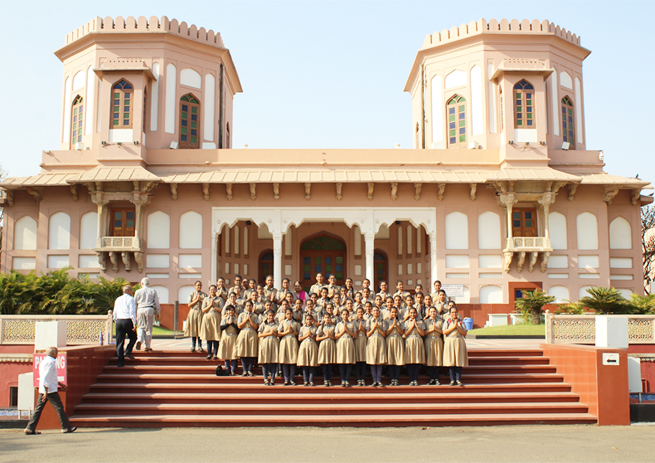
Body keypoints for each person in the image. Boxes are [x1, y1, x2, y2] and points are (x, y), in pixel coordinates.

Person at [24, 347, 76, 434]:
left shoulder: (44, 361)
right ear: (52, 354)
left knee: (38, 408)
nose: (57, 355)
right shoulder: (51, 362)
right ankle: (65, 427)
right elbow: (46, 377)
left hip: (45, 389)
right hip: (49, 390)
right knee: (59, 407)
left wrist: (60, 384)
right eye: (56, 353)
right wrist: (46, 391)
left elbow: (50, 377)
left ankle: (30, 428)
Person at [443, 304, 468, 386]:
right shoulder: (447, 321)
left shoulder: (461, 321)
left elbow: (464, 332)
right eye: (452, 312)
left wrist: (458, 326)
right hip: (450, 340)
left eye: (455, 312)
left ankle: (458, 379)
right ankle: (452, 379)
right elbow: (444, 332)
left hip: (459, 340)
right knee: (451, 360)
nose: (454, 314)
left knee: (459, 359)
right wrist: (453, 327)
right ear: (450, 313)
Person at [134, 277, 161, 353]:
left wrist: (135, 314)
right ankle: (147, 346)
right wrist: (158, 312)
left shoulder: (138, 291)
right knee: (148, 328)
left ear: (141, 283)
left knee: (141, 326)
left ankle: (140, 339)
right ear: (148, 284)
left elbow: (134, 303)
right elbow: (157, 303)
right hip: (149, 309)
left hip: (140, 309)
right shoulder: (152, 291)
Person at [113, 284, 137, 367]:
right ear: (127, 291)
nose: (132, 292)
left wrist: (116, 320)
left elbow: (114, 311)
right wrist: (134, 322)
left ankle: (120, 361)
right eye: (131, 290)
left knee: (119, 341)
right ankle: (127, 351)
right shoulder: (131, 299)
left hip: (119, 321)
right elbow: (132, 311)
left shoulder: (118, 299)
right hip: (127, 320)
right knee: (133, 337)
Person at [235, 300, 260, 376]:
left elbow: (256, 326)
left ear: (252, 307)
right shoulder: (241, 315)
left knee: (251, 351)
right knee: (243, 351)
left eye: (250, 306)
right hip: (243, 332)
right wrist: (246, 319)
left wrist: (250, 319)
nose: (248, 307)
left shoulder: (255, 316)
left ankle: (250, 369)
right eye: (247, 306)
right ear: (244, 307)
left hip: (252, 332)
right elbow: (239, 326)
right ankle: (244, 370)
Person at [403, 307, 426, 386]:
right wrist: (412, 326)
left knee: (416, 361)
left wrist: (416, 326)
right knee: (410, 361)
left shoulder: (420, 322)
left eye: (414, 313)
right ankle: (411, 379)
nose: (412, 314)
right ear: (409, 314)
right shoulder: (406, 322)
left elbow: (423, 333)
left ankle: (415, 379)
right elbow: (405, 333)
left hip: (418, 340)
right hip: (409, 341)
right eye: (411, 313)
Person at [277, 308, 300, 385]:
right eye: (287, 314)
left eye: (290, 314)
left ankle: (292, 379)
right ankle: (286, 379)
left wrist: (293, 332)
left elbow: (299, 333)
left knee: (293, 360)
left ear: (292, 314)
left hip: (293, 341)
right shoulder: (282, 322)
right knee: (285, 360)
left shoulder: (296, 323)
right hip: (285, 341)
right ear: (285, 315)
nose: (289, 315)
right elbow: (279, 333)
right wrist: (287, 332)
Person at [366, 305, 387, 387]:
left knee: (379, 360)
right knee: (372, 360)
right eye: (374, 311)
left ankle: (379, 379)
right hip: (372, 340)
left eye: (377, 311)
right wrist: (374, 327)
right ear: (371, 312)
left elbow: (384, 334)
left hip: (380, 339)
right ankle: (374, 380)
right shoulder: (369, 321)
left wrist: (378, 327)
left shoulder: (383, 321)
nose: (375, 312)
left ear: (379, 312)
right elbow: (367, 334)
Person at [200, 285, 222, 360]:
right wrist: (210, 305)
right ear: (209, 291)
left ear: (216, 290)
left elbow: (222, 310)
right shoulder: (206, 299)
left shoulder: (220, 299)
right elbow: (203, 310)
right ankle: (209, 353)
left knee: (216, 336)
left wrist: (214, 305)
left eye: (214, 289)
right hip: (207, 318)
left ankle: (215, 353)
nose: (212, 291)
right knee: (209, 336)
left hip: (216, 317)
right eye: (211, 290)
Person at [335, 308, 356, 387]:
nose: (345, 316)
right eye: (343, 314)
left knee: (349, 361)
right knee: (342, 360)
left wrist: (347, 330)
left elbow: (355, 335)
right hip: (341, 342)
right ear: (341, 315)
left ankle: (347, 379)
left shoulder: (352, 324)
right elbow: (336, 336)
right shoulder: (338, 324)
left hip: (349, 342)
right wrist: (343, 331)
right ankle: (343, 379)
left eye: (346, 314)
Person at [258, 310, 279, 385]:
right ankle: (265, 379)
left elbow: (279, 334)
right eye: (269, 316)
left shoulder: (277, 324)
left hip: (274, 342)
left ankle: (273, 378)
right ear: (267, 316)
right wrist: (269, 333)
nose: (271, 317)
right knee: (265, 361)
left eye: (272, 316)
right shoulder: (263, 324)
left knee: (273, 361)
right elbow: (259, 335)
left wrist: (275, 334)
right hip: (266, 342)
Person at [385, 306, 405, 386]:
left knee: (397, 359)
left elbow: (402, 333)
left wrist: (397, 325)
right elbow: (386, 333)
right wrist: (392, 325)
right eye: (392, 312)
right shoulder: (386, 321)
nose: (394, 314)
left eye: (395, 312)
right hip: (390, 340)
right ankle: (391, 378)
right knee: (390, 359)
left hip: (398, 339)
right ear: (390, 313)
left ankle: (396, 378)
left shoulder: (401, 321)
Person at [185, 281, 207, 352]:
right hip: (193, 312)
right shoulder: (191, 294)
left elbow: (206, 303)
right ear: (195, 286)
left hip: (200, 312)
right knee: (193, 329)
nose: (199, 287)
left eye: (200, 285)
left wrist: (200, 300)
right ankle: (193, 345)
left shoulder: (204, 295)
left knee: (200, 329)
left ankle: (200, 346)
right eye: (198, 285)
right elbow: (189, 304)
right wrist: (196, 300)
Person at [424, 306, 444, 385]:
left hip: (438, 340)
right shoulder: (426, 321)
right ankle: (431, 378)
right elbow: (423, 332)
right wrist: (431, 330)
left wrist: (436, 330)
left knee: (437, 359)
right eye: (431, 312)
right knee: (430, 359)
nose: (433, 313)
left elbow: (443, 331)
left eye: (434, 311)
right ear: (429, 313)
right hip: (429, 340)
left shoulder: (440, 321)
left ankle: (437, 379)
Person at [297, 314, 318, 386]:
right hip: (304, 345)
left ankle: (311, 380)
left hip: (312, 344)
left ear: (312, 320)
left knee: (312, 363)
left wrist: (311, 335)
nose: (309, 321)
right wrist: (307, 335)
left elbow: (317, 339)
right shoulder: (302, 328)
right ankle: (305, 380)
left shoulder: (315, 328)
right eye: (307, 319)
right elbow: (299, 338)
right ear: (305, 320)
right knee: (304, 362)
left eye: (310, 319)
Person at [316, 312, 337, 387]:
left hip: (331, 344)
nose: (327, 319)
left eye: (328, 317)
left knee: (330, 362)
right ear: (323, 319)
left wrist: (330, 336)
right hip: (324, 344)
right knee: (324, 362)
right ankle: (325, 379)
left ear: (330, 318)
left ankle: (329, 379)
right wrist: (326, 336)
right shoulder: (321, 327)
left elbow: (335, 337)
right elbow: (317, 338)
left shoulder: (333, 326)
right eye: (325, 318)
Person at [218, 305, 239, 375]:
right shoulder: (224, 319)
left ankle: (233, 370)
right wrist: (228, 323)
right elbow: (221, 328)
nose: (231, 312)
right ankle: (227, 369)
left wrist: (231, 323)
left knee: (233, 354)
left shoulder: (236, 319)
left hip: (233, 337)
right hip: (226, 337)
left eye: (232, 310)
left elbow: (238, 328)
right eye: (229, 310)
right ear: (227, 311)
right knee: (226, 354)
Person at [353, 306, 368, 386]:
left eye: (361, 312)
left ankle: (363, 378)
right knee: (357, 360)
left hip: (364, 340)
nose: (360, 314)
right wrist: (359, 329)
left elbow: (368, 333)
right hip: (357, 340)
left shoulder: (366, 321)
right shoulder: (354, 322)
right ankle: (358, 378)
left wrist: (363, 329)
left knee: (363, 360)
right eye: (359, 312)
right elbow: (353, 333)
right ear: (356, 313)